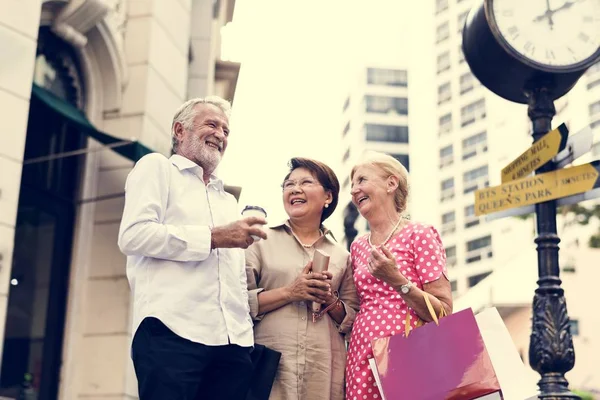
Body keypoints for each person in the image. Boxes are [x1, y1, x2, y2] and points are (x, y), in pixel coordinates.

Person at [117, 96, 267, 400]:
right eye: (212, 124)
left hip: (232, 344)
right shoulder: (157, 168)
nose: (221, 135)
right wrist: (212, 238)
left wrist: (244, 337)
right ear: (179, 130)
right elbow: (133, 235)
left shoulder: (228, 201)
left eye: (226, 131)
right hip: (171, 332)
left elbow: (234, 277)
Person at [245, 157, 359, 400]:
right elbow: (235, 303)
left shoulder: (342, 257)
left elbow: (353, 319)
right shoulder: (259, 242)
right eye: (289, 184)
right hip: (268, 372)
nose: (295, 189)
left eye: (306, 182)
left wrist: (329, 298)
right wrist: (291, 292)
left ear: (328, 197)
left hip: (323, 373)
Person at [345, 151, 452, 400]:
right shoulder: (358, 246)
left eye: (361, 180)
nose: (353, 191)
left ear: (391, 184)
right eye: (351, 185)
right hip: (362, 356)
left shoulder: (420, 234)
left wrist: (397, 280)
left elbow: (444, 312)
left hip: (409, 354)